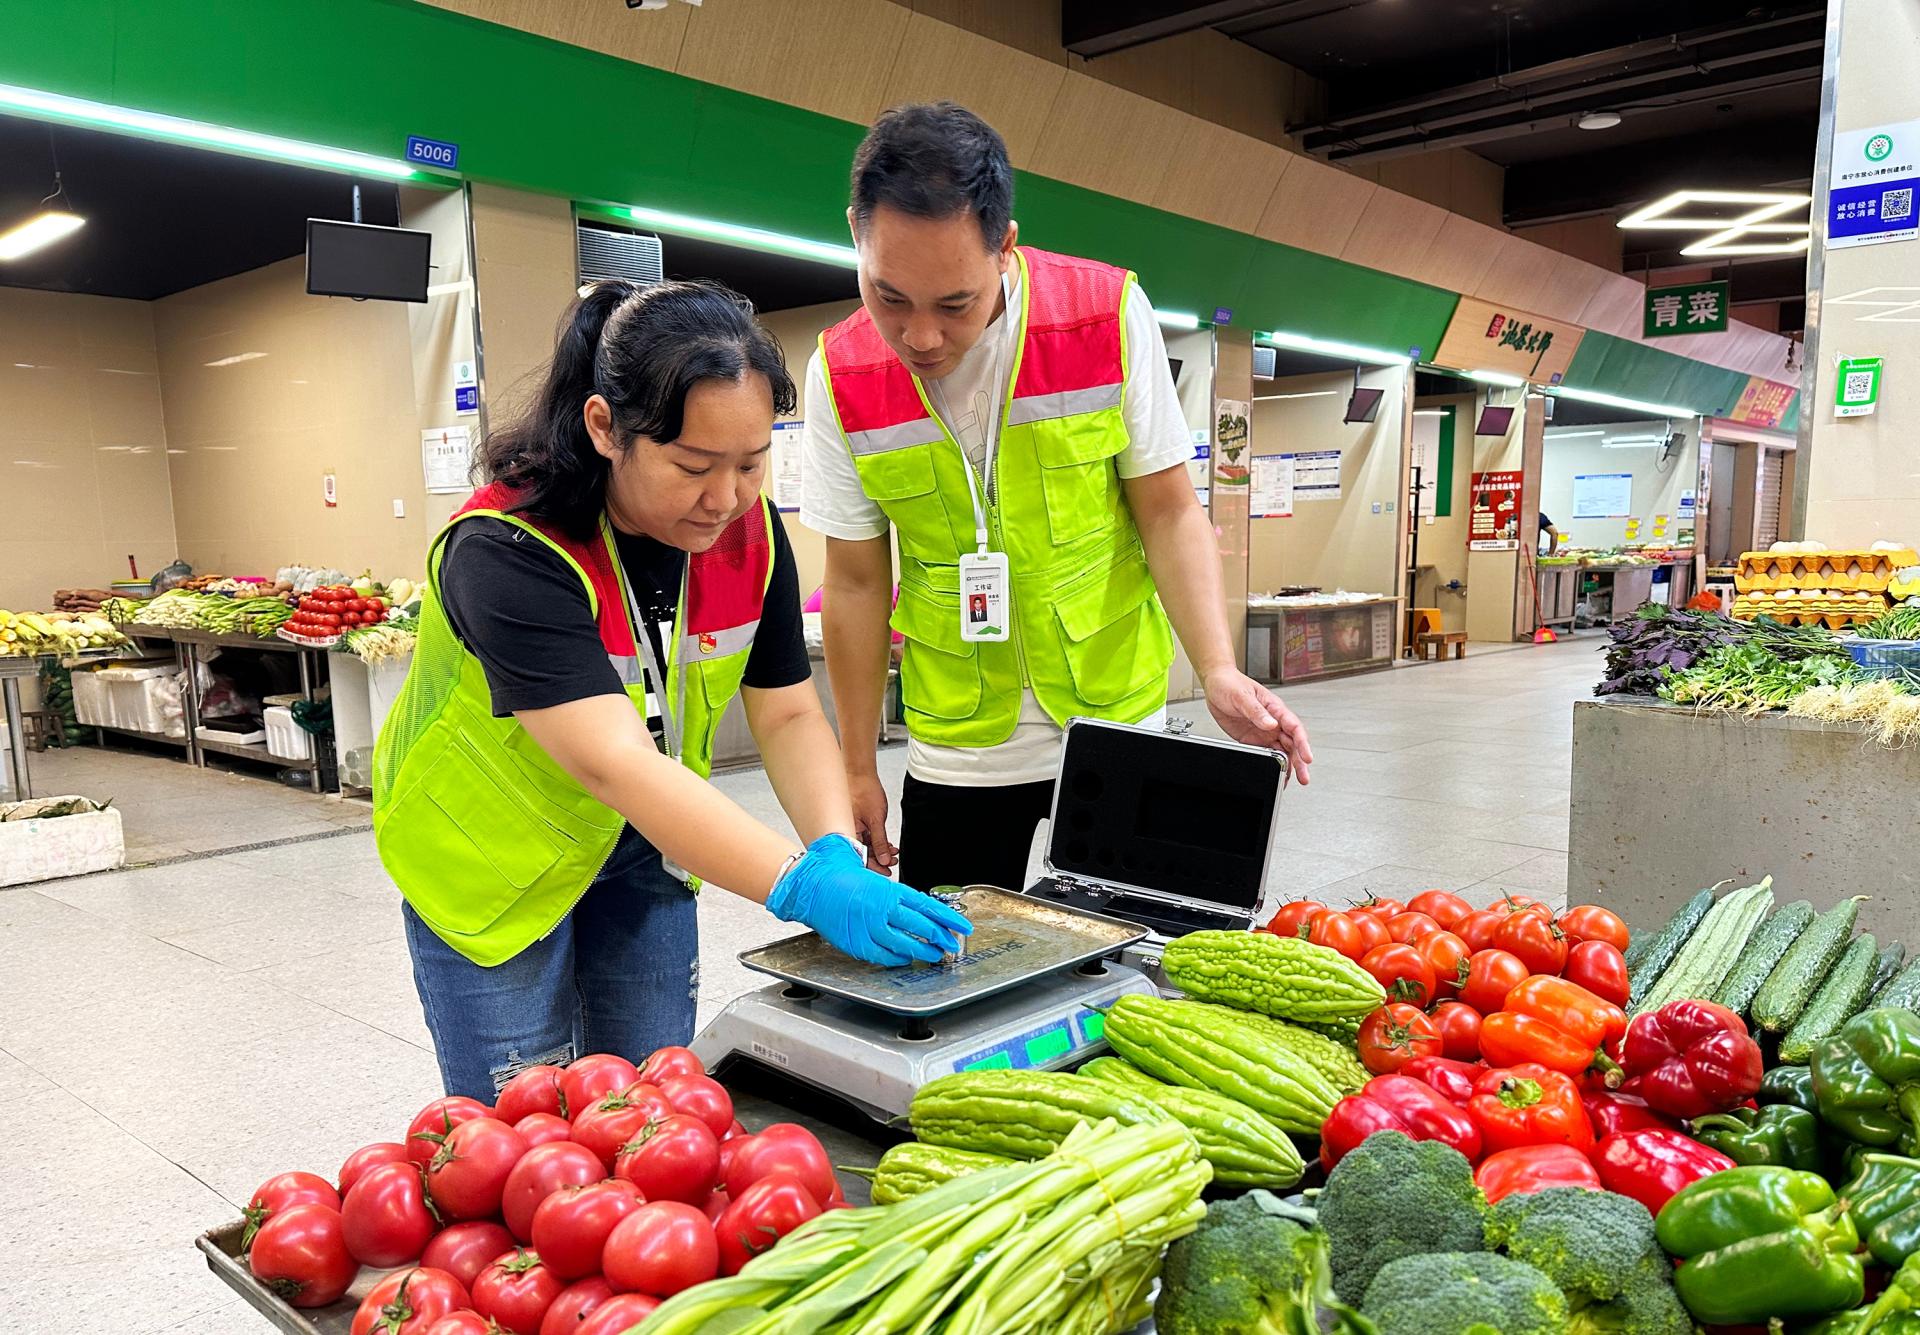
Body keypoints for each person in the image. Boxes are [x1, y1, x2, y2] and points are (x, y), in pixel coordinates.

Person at [373, 279, 970, 1101]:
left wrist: (832, 845)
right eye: (694, 465)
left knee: (650, 1108)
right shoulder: (506, 548)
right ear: (605, 429)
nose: (725, 498)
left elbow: (789, 706)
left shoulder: (746, 535)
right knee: (523, 1135)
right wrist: (797, 883)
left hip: (647, 846)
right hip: (493, 862)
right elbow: (615, 761)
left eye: (752, 463)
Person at [802, 102, 1313, 896]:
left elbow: (1170, 509)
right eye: (890, 295)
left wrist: (1216, 666)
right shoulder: (841, 373)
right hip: (957, 750)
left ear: (1005, 248)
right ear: (855, 235)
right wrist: (856, 767)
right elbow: (858, 582)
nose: (921, 337)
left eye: (955, 304)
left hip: (1115, 726)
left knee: (1124, 982)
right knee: (953, 982)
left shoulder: (1103, 316)